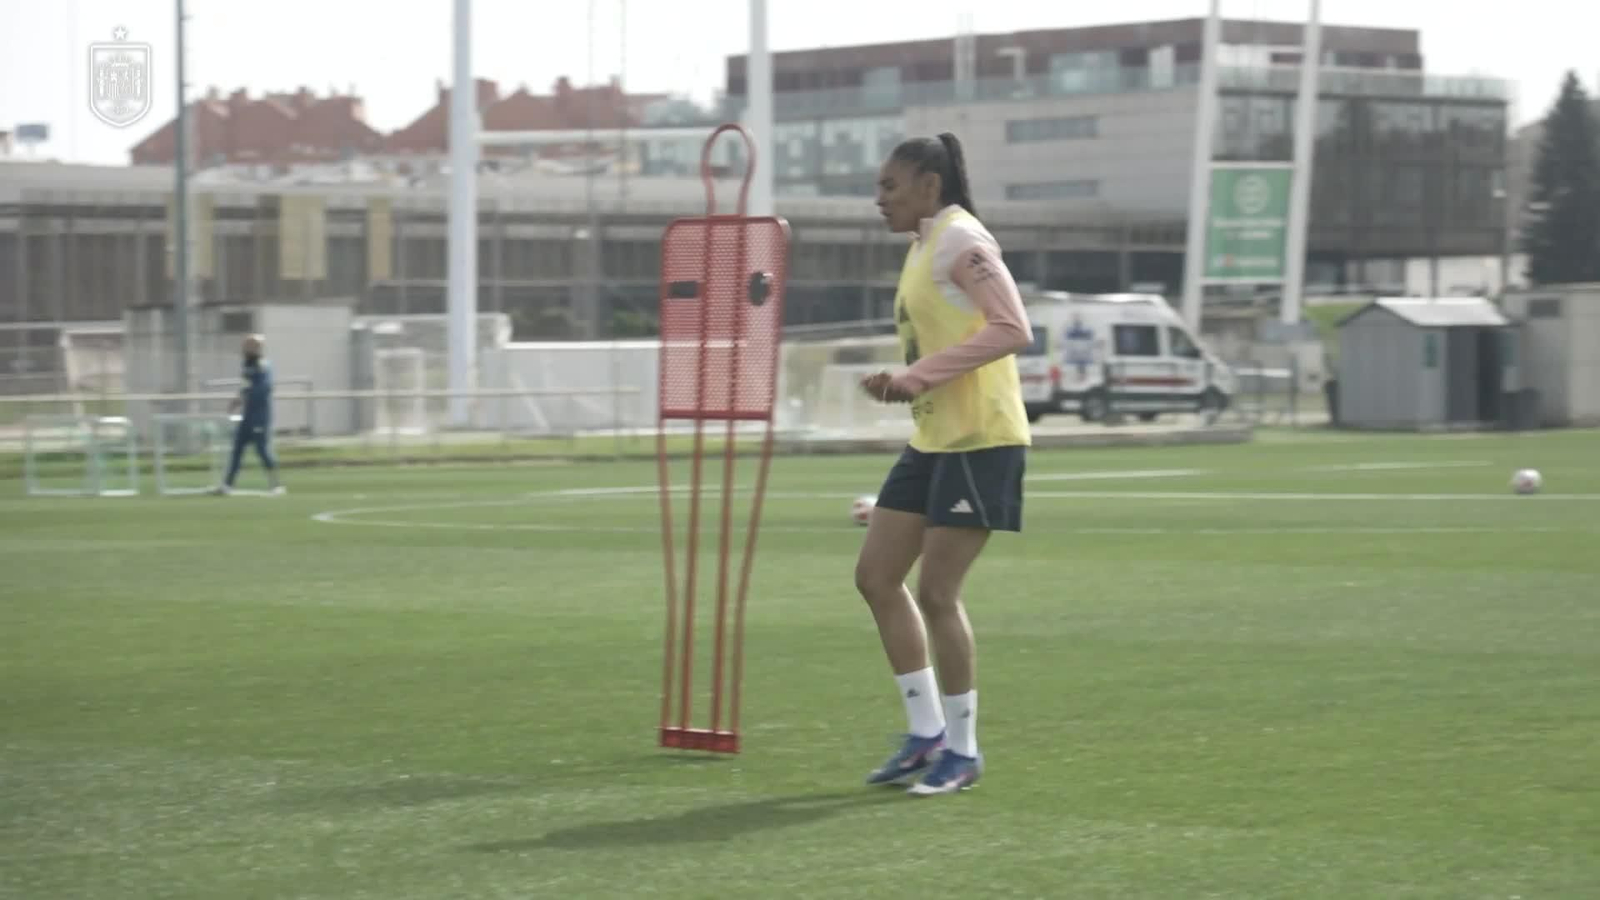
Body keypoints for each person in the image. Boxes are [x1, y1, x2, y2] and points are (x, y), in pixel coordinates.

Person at [855, 132, 1033, 796]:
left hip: (982, 440)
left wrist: (918, 376)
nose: (879, 199)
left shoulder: (962, 239)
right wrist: (907, 383)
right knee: (876, 577)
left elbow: (1012, 325)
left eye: (889, 186)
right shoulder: (923, 245)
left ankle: (963, 749)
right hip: (934, 441)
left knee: (936, 593)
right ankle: (925, 733)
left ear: (930, 185)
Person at [214, 334, 285, 495]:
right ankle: (227, 484)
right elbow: (244, 387)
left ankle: (276, 484)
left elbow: (264, 388)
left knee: (262, 450)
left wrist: (249, 394)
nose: (246, 349)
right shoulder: (247, 365)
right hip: (247, 416)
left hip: (260, 416)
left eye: (250, 345)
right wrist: (237, 401)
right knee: (237, 449)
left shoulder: (263, 365)